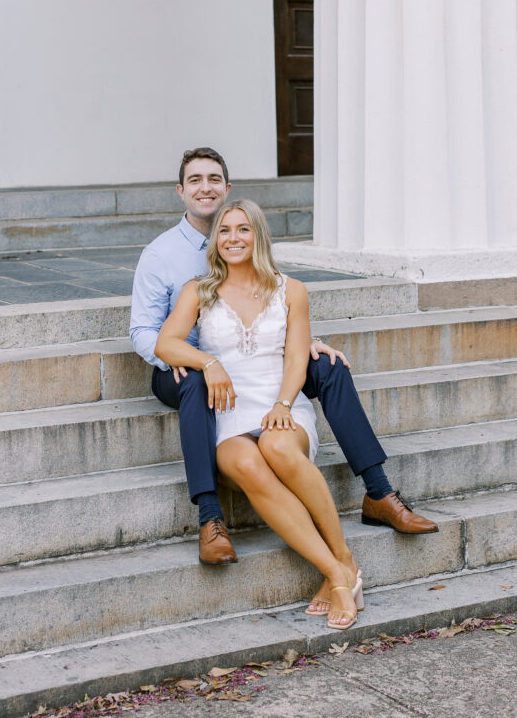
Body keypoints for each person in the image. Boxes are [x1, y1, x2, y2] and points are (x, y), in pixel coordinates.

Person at [130, 148, 438, 591]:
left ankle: (378, 491)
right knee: (198, 383)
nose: (205, 188)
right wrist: (191, 358)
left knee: (327, 365)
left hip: (254, 364)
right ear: (181, 191)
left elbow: (268, 302)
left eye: (214, 179)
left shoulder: (255, 248)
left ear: (228, 189)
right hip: (185, 365)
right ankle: (209, 517)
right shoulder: (161, 256)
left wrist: (291, 339)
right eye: (195, 180)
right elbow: (145, 331)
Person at [155, 199, 364, 630]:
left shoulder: (292, 290)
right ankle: (338, 574)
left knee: (279, 448)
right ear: (216, 240)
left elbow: (295, 360)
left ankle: (342, 563)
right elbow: (166, 343)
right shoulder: (199, 290)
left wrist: (284, 405)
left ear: (258, 236)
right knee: (245, 460)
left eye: (243, 229)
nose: (233, 238)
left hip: (280, 400)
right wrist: (209, 363)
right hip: (228, 410)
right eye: (225, 231)